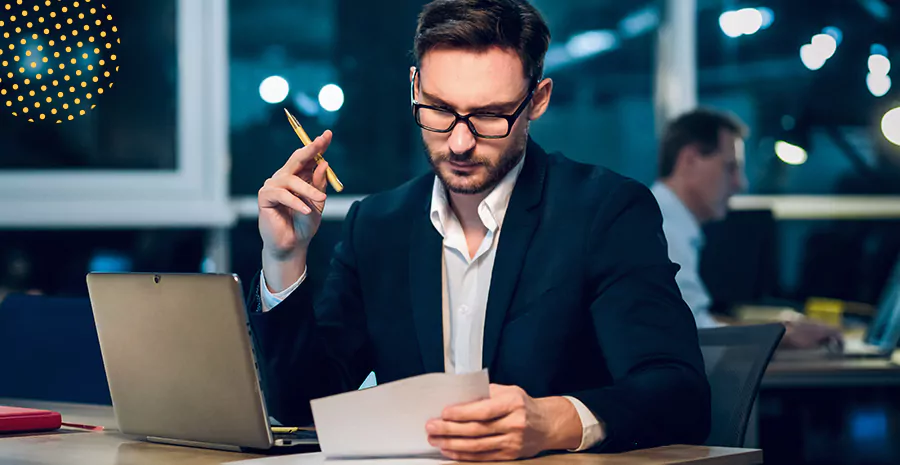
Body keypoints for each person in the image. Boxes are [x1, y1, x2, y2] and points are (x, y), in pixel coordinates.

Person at [250, 0, 710, 460]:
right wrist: (284, 258)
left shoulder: (604, 212)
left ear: (538, 100)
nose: (460, 142)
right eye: (439, 109)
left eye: (490, 115)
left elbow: (678, 393)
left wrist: (556, 421)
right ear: (415, 87)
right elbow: (305, 407)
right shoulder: (377, 225)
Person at [651, 108, 842, 348]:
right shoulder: (661, 230)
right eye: (730, 167)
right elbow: (697, 338)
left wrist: (778, 330)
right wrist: (782, 337)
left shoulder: (664, 222)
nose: (741, 183)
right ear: (689, 160)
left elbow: (697, 324)